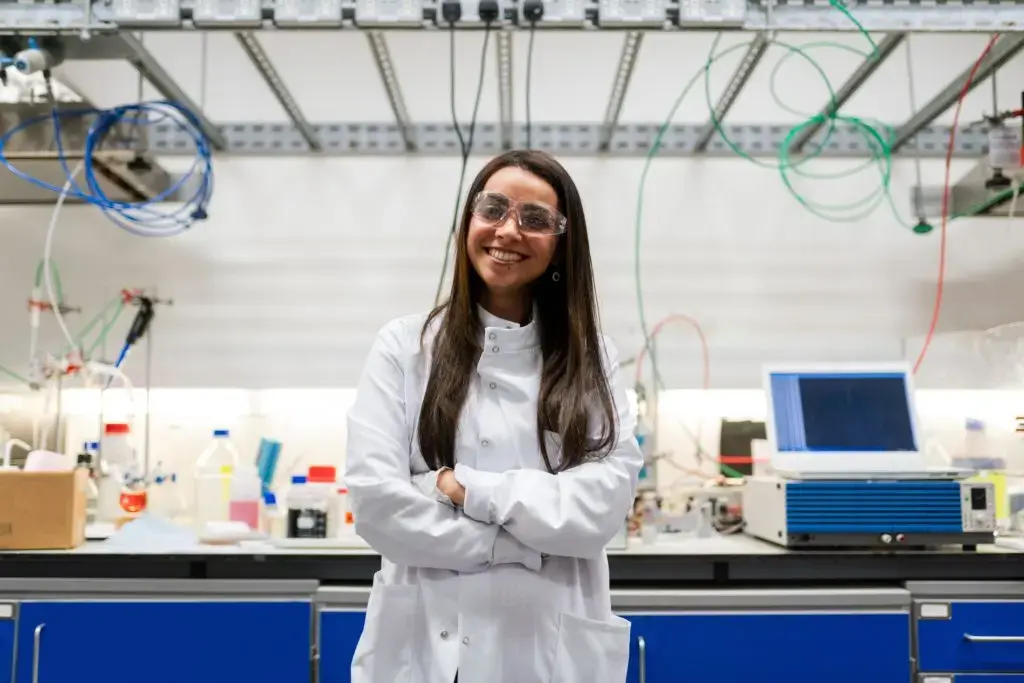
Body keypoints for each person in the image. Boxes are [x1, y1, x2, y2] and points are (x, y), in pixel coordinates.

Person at [344, 149, 644, 683]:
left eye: (535, 220)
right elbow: (377, 504)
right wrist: (517, 544)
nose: (508, 231)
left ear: (560, 245)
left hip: (547, 653)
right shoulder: (405, 347)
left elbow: (599, 511)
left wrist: (461, 489)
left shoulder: (591, 358)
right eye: (494, 209)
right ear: (468, 222)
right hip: (424, 651)